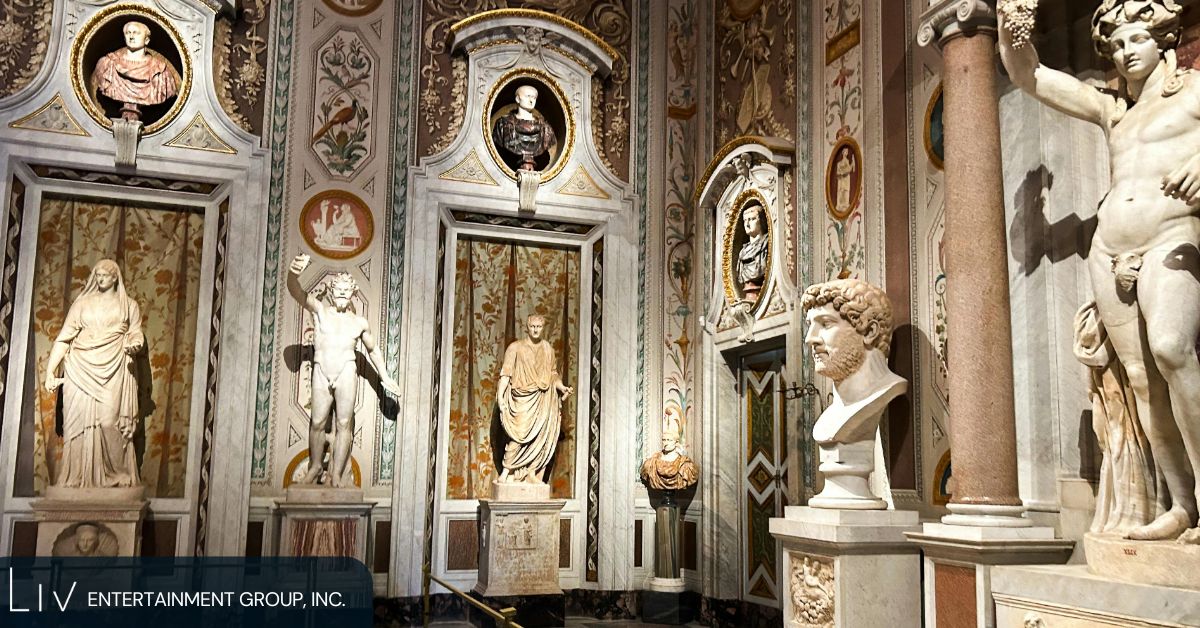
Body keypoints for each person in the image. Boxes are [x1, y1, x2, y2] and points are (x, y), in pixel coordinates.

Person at [999, 0, 1200, 541]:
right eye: (1116, 45)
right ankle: (1182, 505)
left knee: (1171, 349)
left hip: (1171, 238)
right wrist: (1008, 22)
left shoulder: (1195, 92)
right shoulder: (1114, 110)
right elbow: (1030, 75)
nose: (1125, 52)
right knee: (1141, 382)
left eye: (1136, 39)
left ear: (1163, 40)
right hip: (1109, 250)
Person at [287, 254, 401, 487]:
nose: (341, 294)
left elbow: (373, 350)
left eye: (345, 291)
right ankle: (315, 467)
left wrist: (385, 376)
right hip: (322, 369)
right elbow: (296, 291)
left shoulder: (359, 323)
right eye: (338, 290)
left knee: (344, 423)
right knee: (317, 422)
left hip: (347, 370)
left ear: (352, 293)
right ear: (331, 291)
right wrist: (292, 273)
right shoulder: (320, 311)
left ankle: (336, 474)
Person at [44, 259, 143, 488]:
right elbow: (64, 338)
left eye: (104, 275)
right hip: (79, 367)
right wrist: (50, 371)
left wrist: (135, 344)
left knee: (109, 422)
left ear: (115, 277)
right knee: (75, 427)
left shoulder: (129, 305)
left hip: (113, 367)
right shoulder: (82, 304)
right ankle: (76, 477)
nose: (100, 279)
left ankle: (117, 474)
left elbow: (136, 332)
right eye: (97, 275)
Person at [496, 314, 572, 484]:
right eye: (533, 326)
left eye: (539, 327)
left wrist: (562, 387)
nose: (536, 330)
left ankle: (532, 472)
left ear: (543, 328)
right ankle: (506, 471)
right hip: (522, 399)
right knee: (518, 435)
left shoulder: (548, 349)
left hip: (542, 398)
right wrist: (500, 397)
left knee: (540, 439)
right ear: (527, 327)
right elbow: (506, 374)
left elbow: (553, 375)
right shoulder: (515, 348)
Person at [90, 21, 180, 119]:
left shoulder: (161, 72)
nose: (131, 37)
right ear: (124, 38)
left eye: (136, 33)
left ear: (146, 40)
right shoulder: (108, 64)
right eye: (128, 33)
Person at [491, 85, 557, 171]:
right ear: (518, 99)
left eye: (534, 98)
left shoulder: (545, 129)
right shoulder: (503, 124)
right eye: (527, 96)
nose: (531, 101)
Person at [737, 204, 769, 300]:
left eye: (751, 219)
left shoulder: (766, 243)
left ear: (761, 221)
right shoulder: (742, 252)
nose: (747, 224)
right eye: (745, 221)